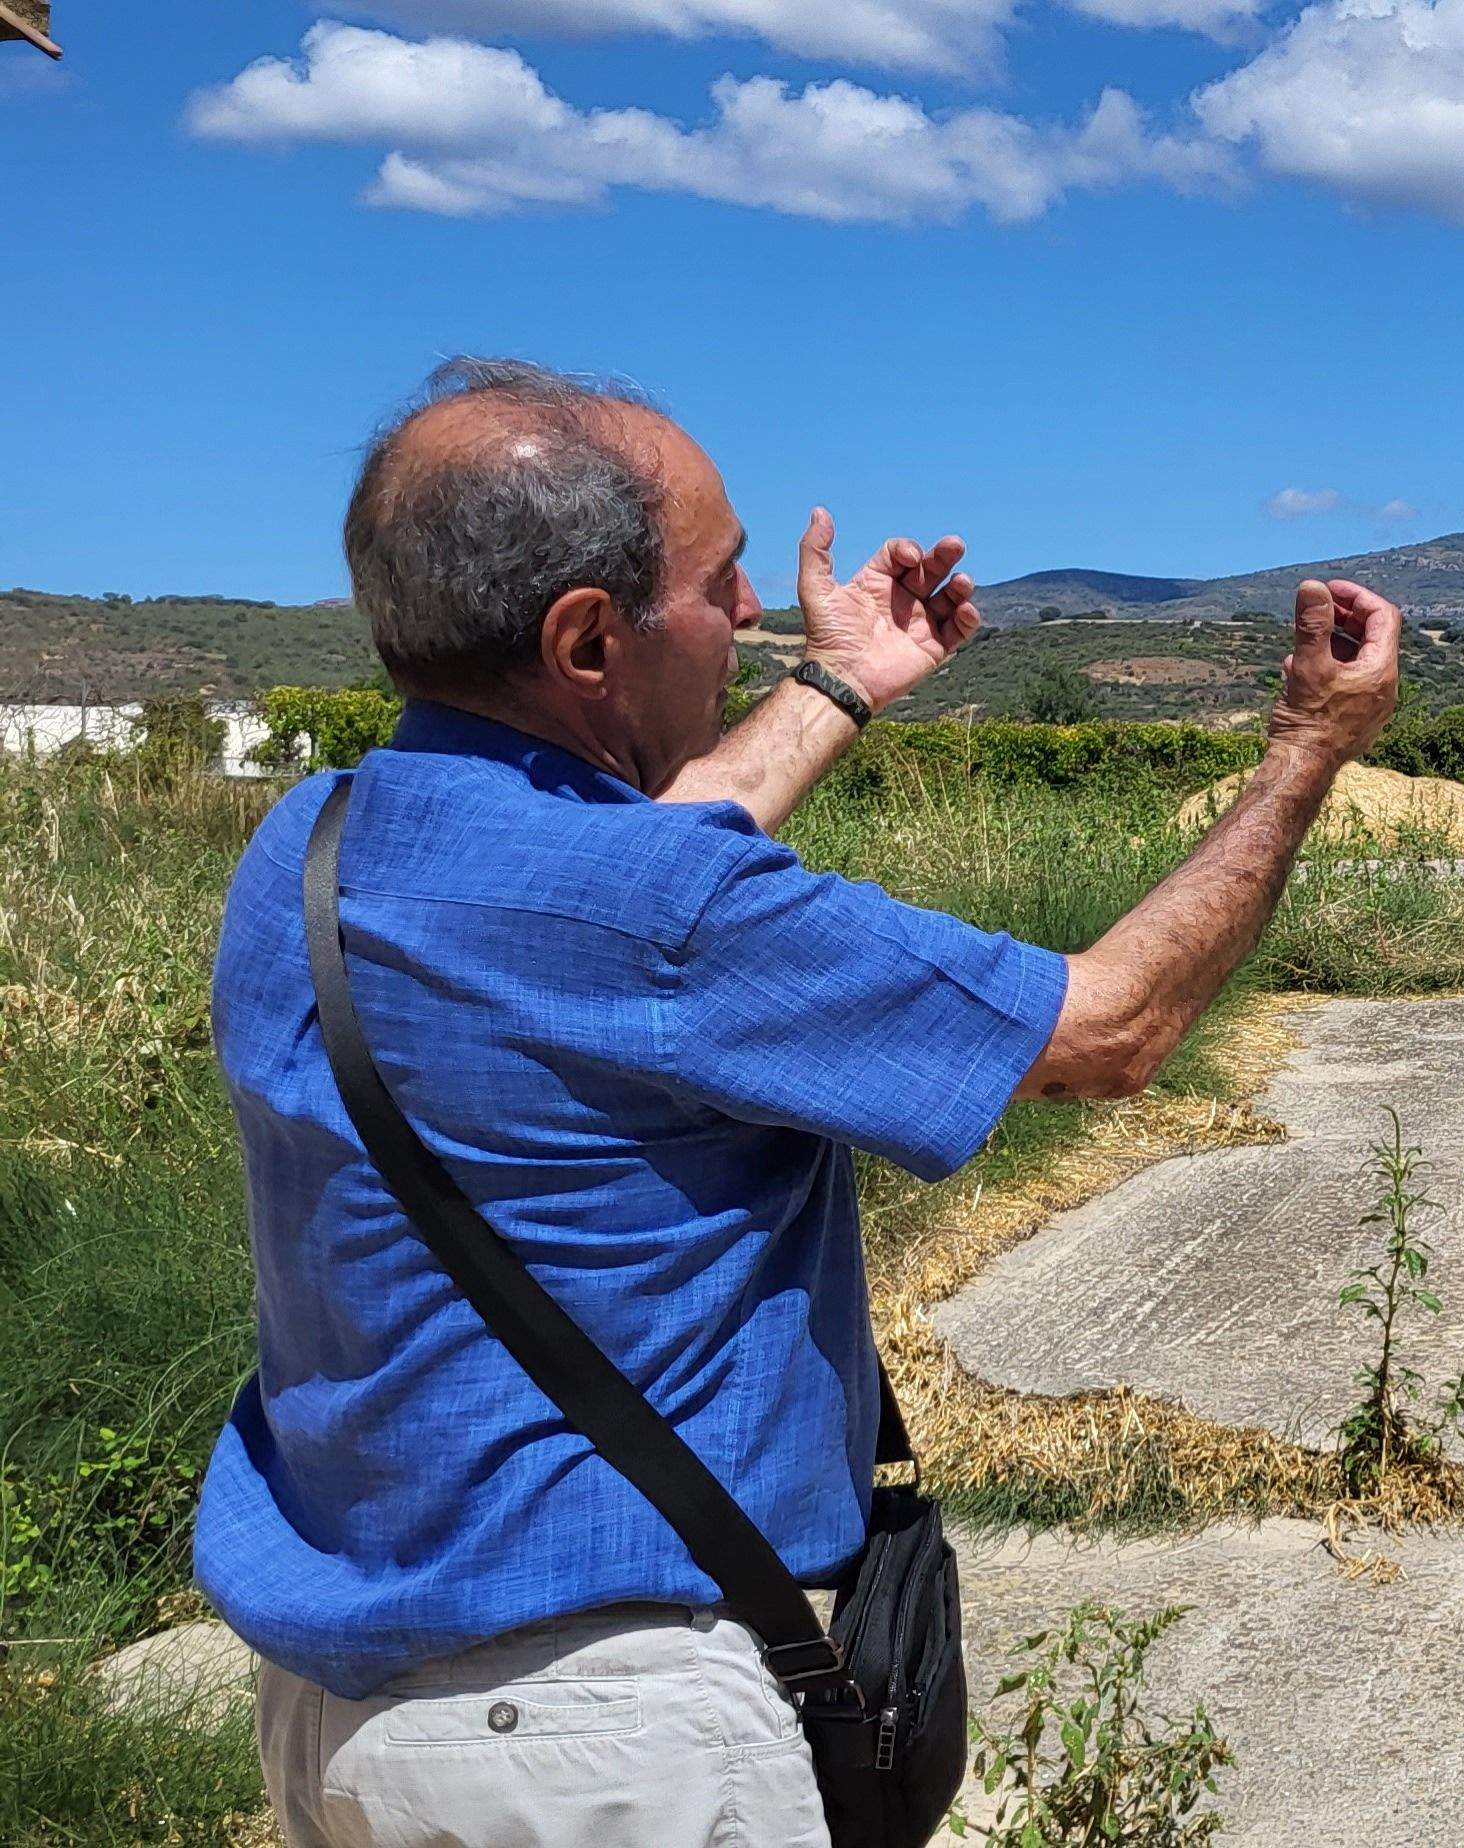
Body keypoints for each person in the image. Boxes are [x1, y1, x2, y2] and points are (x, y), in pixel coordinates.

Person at [197, 357, 1400, 1846]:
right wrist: (1306, 749)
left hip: (339, 1716)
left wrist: (841, 682)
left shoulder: (306, 848)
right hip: (601, 1743)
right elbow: (1113, 1028)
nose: (753, 607)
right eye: (720, 583)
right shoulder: (667, 917)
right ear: (587, 639)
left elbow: (650, 850)